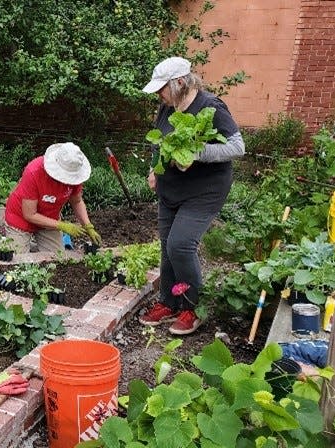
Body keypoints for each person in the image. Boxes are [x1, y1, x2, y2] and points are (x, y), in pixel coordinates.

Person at [137, 56, 245, 335]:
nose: (159, 95)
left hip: (204, 191)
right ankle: (169, 302)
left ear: (180, 82)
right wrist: (154, 168)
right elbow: (159, 142)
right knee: (167, 248)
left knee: (181, 245)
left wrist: (199, 154)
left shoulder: (211, 107)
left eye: (162, 88)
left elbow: (237, 147)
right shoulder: (167, 107)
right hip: (170, 189)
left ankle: (193, 308)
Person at [3, 143, 101, 254]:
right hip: (20, 217)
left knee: (57, 257)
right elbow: (29, 214)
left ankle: (30, 245)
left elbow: (77, 201)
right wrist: (62, 225)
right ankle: (7, 242)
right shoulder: (34, 172)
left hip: (49, 219)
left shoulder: (74, 174)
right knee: (18, 260)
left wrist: (88, 225)